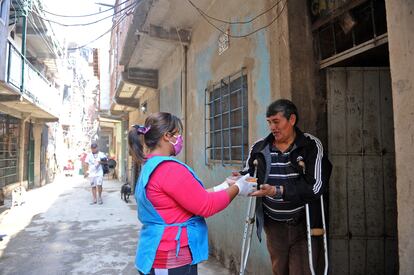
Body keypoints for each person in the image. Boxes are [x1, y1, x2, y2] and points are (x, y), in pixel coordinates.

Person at [128, 112, 256, 275]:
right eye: (177, 134)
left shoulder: (150, 166)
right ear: (167, 136)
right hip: (169, 258)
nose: (180, 138)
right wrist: (239, 187)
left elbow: (192, 197)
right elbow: (206, 206)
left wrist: (224, 186)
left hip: (156, 252)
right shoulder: (169, 169)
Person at [240, 99, 332, 275]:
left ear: (292, 120)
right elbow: (249, 173)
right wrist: (240, 178)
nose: (272, 127)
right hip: (273, 225)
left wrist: (278, 191)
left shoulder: (310, 145)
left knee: (303, 271)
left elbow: (316, 186)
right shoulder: (260, 147)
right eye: (269, 122)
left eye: (276, 121)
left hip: (303, 224)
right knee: (279, 270)